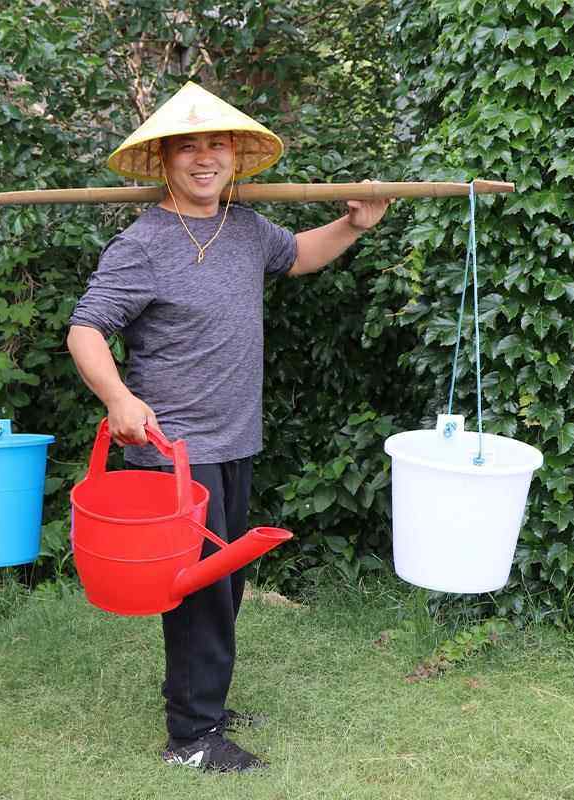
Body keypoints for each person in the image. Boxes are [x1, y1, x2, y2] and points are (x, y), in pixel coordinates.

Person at [67, 81, 390, 772]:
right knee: (200, 591)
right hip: (174, 451)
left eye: (216, 144)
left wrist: (355, 225)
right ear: (164, 162)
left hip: (234, 436)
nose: (205, 159)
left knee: (224, 586)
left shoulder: (245, 229)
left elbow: (298, 255)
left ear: (235, 156)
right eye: (189, 147)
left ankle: (202, 698)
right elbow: (86, 329)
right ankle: (192, 738)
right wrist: (119, 400)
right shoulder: (143, 244)